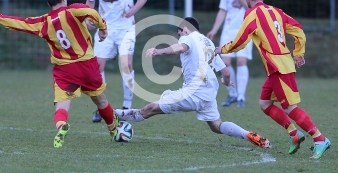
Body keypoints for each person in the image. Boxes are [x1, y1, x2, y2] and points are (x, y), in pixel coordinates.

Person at [0, 0, 119, 148]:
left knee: (62, 103)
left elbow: (20, 23)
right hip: (87, 66)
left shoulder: (44, 22)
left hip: (65, 71)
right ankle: (114, 130)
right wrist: (103, 28)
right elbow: (91, 12)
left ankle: (61, 124)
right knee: (101, 100)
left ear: (49, 4)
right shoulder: (73, 10)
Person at [215, 0, 331, 159]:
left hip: (278, 67)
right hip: (279, 66)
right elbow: (298, 29)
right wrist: (298, 53)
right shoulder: (276, 11)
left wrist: (221, 49)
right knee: (265, 103)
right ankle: (294, 135)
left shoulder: (251, 14)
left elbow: (239, 42)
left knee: (290, 108)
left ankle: (320, 139)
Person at [115, 17, 271, 149]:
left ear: (185, 29)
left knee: (150, 108)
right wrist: (226, 82)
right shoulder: (209, 43)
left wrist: (159, 51)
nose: (180, 36)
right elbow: (226, 72)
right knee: (217, 126)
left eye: (179, 33)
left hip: (194, 92)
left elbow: (180, 48)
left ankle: (112, 113)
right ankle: (248, 134)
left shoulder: (188, 37)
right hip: (209, 93)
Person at [85, 0, 148, 123]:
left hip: (125, 27)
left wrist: (133, 10)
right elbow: (90, 2)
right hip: (104, 28)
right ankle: (102, 108)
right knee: (96, 69)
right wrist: (88, 18)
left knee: (126, 65)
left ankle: (127, 107)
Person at [207, 0, 252, 108]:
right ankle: (232, 94)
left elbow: (252, 9)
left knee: (241, 61)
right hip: (228, 30)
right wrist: (214, 30)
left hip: (246, 30)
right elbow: (222, 10)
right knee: (225, 63)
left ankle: (241, 97)